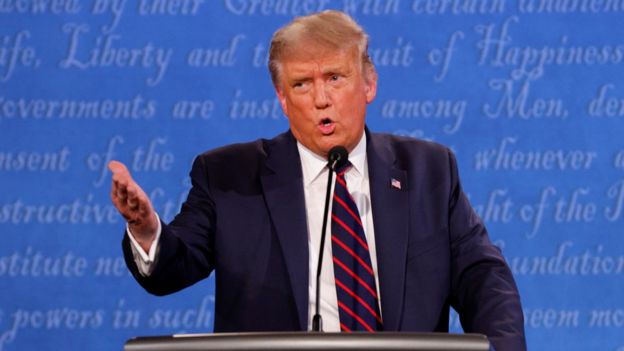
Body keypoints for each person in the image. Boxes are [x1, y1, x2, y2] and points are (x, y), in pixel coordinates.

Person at [109, 10, 526, 350]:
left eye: (334, 78)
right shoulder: (228, 176)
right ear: (282, 98)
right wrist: (146, 230)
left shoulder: (428, 171)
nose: (321, 99)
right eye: (302, 84)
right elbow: (172, 269)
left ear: (369, 83)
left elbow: (482, 276)